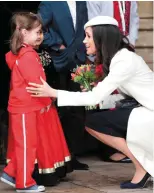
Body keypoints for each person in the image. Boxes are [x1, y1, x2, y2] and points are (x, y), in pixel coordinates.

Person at [26, 16, 154, 189]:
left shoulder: (124, 60)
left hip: (149, 112)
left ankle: (141, 166)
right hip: (144, 109)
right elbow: (124, 97)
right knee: (95, 118)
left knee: (94, 122)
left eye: (88, 36)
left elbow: (96, 97)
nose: (84, 41)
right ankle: (141, 164)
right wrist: (100, 101)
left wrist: (53, 92)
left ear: (102, 37)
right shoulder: (120, 57)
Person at [1, 12, 72, 192]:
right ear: (23, 32)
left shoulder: (18, 53)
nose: (41, 36)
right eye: (37, 32)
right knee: (27, 146)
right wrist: (48, 100)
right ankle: (24, 184)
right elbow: (36, 83)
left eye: (41, 32)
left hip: (24, 107)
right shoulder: (27, 55)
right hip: (26, 108)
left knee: (26, 143)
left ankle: (10, 173)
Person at [38, 1, 89, 170]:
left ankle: (71, 155)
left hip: (79, 61)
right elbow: (36, 28)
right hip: (57, 62)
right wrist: (56, 44)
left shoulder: (83, 2)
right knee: (60, 110)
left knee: (76, 110)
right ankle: (59, 157)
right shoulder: (50, 2)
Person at [86, 1, 139, 163]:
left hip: (122, 47)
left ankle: (129, 148)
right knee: (104, 99)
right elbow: (94, 22)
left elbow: (134, 19)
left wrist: (130, 42)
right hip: (103, 51)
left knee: (122, 99)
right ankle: (109, 149)